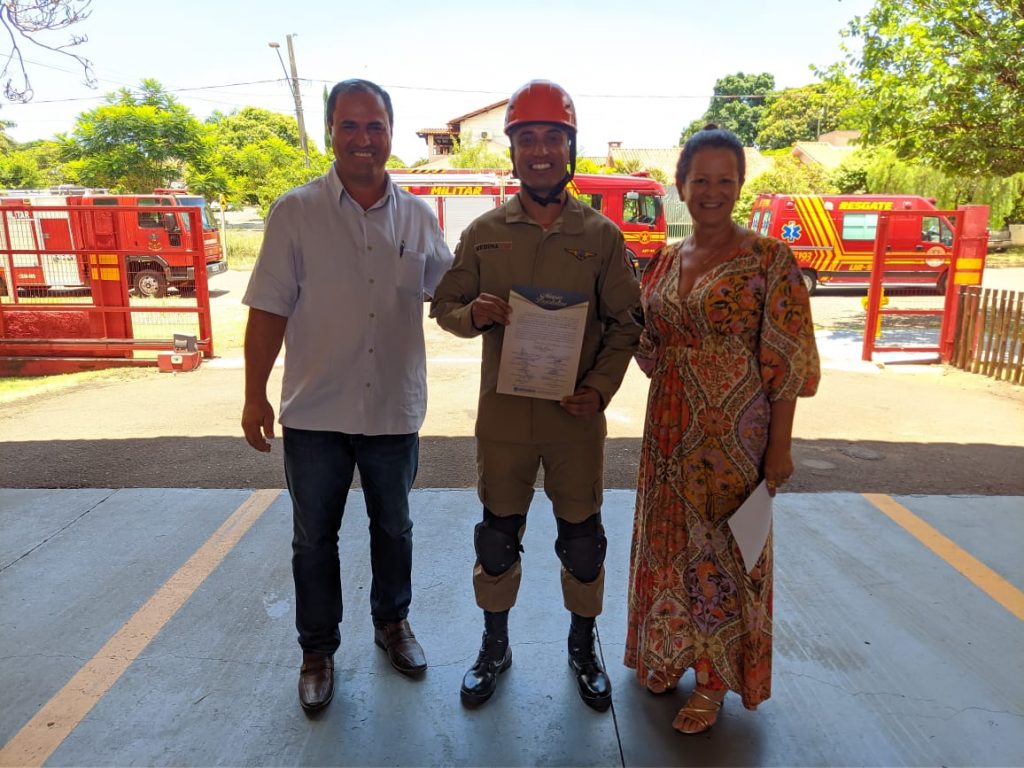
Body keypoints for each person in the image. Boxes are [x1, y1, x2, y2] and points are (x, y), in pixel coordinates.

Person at [241, 79, 453, 713]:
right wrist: (255, 395)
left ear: (391, 131)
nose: (364, 140)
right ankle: (317, 649)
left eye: (376, 126)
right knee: (314, 539)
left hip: (391, 408)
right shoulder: (295, 212)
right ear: (330, 131)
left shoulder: (417, 214)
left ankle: (393, 625)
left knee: (395, 527)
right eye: (350, 126)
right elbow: (268, 310)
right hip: (316, 412)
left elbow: (451, 293)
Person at [430, 79, 641, 711]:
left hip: (573, 422)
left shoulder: (601, 236)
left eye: (553, 137)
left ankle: (583, 647)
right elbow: (444, 305)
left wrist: (599, 390)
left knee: (582, 542)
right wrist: (476, 314)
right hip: (503, 422)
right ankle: (494, 647)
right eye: (528, 138)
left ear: (570, 148)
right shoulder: (486, 232)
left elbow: (628, 324)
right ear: (513, 150)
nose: (541, 150)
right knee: (497, 538)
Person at [624, 124, 820, 734]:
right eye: (700, 179)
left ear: (739, 186)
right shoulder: (662, 260)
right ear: (680, 185)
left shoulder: (768, 259)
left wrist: (780, 448)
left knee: (724, 551)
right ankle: (668, 650)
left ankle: (712, 682)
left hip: (735, 433)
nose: (712, 191)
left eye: (725, 180)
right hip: (667, 426)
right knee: (666, 542)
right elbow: (647, 342)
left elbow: (788, 361)